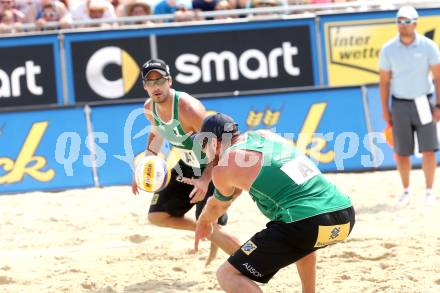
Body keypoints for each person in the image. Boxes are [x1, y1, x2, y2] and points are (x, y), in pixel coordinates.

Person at [191, 113, 355, 293]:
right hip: (344, 216)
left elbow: (217, 205)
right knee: (301, 239)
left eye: (204, 144)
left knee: (227, 275)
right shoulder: (265, 135)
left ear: (214, 143)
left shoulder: (224, 167)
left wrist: (204, 221)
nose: (204, 151)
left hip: (306, 224)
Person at [131, 59, 240, 264]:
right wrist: (144, 167)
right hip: (187, 165)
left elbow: (218, 149)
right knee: (157, 216)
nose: (156, 86)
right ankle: (205, 230)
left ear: (169, 81)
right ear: (145, 86)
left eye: (160, 80)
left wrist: (206, 180)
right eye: (150, 82)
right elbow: (157, 133)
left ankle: (247, 264)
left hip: (212, 165)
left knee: (211, 225)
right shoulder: (149, 108)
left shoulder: (188, 108)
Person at [379, 5, 440, 207]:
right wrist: (385, 109)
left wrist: (438, 105)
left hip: (424, 101)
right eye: (399, 21)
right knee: (402, 151)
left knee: (429, 149)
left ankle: (429, 191)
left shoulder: (428, 46)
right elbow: (384, 82)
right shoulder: (388, 49)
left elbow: (438, 78)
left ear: (415, 23)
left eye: (406, 21)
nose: (402, 25)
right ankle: (406, 191)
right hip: (399, 104)